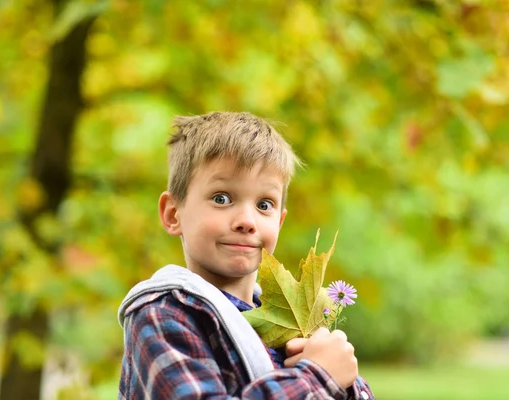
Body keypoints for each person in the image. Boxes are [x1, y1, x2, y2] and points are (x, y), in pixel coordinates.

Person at [117, 111, 375, 399]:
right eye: (221, 198)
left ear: (279, 221)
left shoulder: (285, 316)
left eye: (264, 204)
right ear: (172, 214)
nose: (247, 220)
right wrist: (319, 376)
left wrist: (346, 381)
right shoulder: (163, 313)